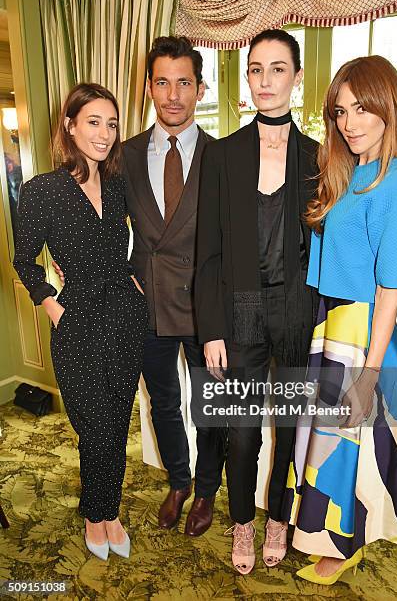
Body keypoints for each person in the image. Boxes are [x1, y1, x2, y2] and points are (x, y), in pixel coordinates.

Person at [281, 55, 397, 585]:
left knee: (349, 442)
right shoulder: (353, 171)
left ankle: (347, 545)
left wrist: (368, 374)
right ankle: (334, 534)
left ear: (389, 107)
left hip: (363, 331)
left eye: (362, 109)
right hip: (332, 322)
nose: (350, 123)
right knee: (327, 441)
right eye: (341, 112)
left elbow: (390, 290)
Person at [195, 29, 320, 574]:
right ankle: (243, 522)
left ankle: (279, 517)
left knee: (289, 429)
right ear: (247, 78)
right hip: (239, 312)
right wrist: (211, 330)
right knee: (242, 433)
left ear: (296, 76)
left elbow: (342, 231)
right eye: (256, 69)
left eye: (277, 68)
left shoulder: (320, 156)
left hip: (295, 311)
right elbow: (208, 253)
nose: (265, 80)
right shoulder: (222, 154)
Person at [13, 83, 149, 561]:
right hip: (76, 323)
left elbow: (147, 237)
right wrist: (52, 305)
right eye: (93, 121)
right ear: (69, 126)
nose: (105, 133)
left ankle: (108, 512)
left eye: (112, 124)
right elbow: (23, 260)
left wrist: (138, 280)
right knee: (92, 426)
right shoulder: (42, 191)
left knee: (114, 425)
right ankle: (96, 513)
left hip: (125, 317)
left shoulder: (119, 183)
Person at [122, 36, 226, 536]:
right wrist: (124, 273)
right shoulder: (122, 155)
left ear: (200, 88)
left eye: (184, 82)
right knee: (163, 402)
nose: (173, 94)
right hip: (149, 307)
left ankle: (206, 491)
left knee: (209, 407)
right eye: (162, 82)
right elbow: (99, 228)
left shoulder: (224, 156)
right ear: (148, 88)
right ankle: (179, 481)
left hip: (206, 309)